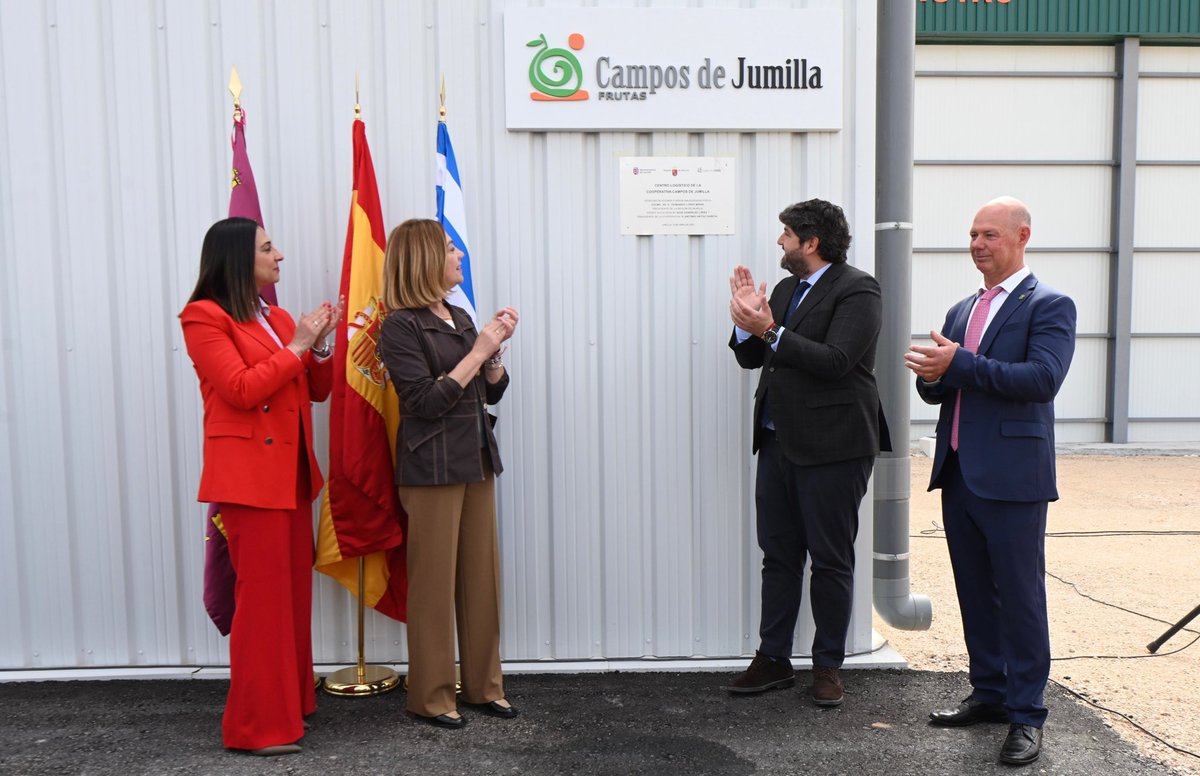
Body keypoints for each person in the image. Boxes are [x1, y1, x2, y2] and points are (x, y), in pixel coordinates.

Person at [904, 196, 1076, 766]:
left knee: (1021, 598)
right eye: (973, 235)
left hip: (1013, 478)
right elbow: (949, 385)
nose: (977, 244)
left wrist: (958, 365)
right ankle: (990, 693)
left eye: (990, 235)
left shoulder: (1049, 304)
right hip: (959, 473)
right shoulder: (962, 310)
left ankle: (1027, 715)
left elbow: (1042, 379)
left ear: (1022, 236)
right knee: (976, 592)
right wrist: (933, 376)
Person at [180, 217, 342, 756]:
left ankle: (289, 706)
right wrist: (298, 345)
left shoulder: (277, 316)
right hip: (249, 481)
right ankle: (255, 727)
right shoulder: (204, 317)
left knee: (290, 599)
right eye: (268, 248)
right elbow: (241, 389)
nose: (280, 255)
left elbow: (315, 390)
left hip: (291, 476)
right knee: (262, 603)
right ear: (236, 258)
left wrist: (320, 346)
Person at [725, 198, 889, 706]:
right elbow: (754, 358)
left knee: (831, 559)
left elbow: (836, 361)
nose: (780, 241)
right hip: (778, 441)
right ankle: (773, 658)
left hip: (835, 446)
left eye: (787, 234)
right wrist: (745, 324)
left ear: (811, 242)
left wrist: (769, 329)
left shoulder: (858, 288)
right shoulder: (785, 289)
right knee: (778, 556)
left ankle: (827, 666)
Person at [378, 218, 520, 729]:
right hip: (432, 466)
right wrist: (477, 353)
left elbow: (489, 390)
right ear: (423, 260)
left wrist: (493, 358)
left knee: (481, 580)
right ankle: (432, 696)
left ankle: (484, 686)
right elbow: (423, 401)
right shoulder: (400, 325)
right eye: (448, 248)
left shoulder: (459, 315)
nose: (459, 254)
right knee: (434, 585)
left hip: (475, 457)